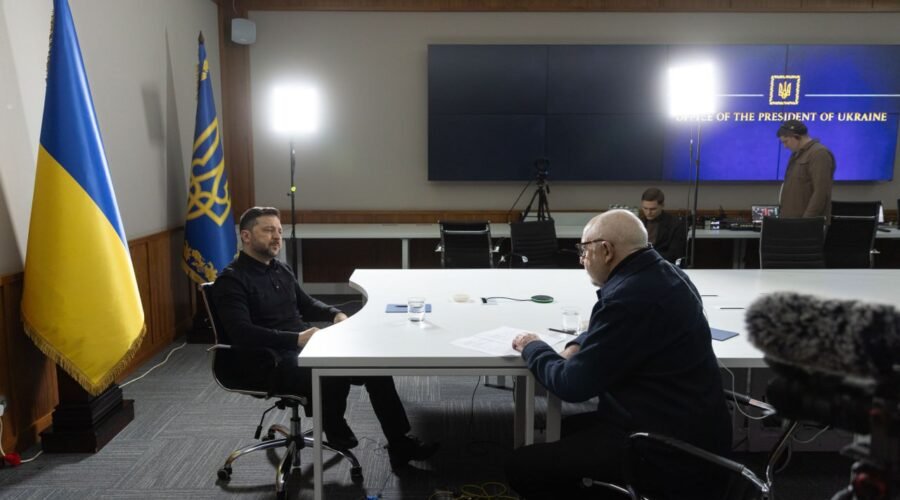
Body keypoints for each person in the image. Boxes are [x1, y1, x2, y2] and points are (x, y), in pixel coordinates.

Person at [505, 210, 731, 499]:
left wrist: (532, 346)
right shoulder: (665, 274)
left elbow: (571, 385)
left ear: (606, 250)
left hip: (663, 450)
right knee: (560, 428)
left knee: (521, 467)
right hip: (689, 428)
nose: (581, 259)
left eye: (584, 250)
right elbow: (617, 330)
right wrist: (579, 344)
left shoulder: (627, 298)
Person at [211, 206, 438, 469]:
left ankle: (399, 443)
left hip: (304, 347)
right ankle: (333, 424)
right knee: (332, 370)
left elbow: (307, 304)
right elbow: (242, 333)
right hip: (265, 359)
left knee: (374, 365)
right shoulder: (232, 280)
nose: (276, 237)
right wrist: (296, 339)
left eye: (279, 231)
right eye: (269, 230)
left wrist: (335, 314)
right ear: (246, 236)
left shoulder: (280, 269)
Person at [777, 119, 836, 219]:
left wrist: (806, 221)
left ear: (797, 136)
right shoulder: (797, 154)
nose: (785, 146)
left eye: (786, 141)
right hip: (791, 221)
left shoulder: (819, 154)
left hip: (806, 223)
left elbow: (821, 193)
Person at [638, 187, 686, 264]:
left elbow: (675, 254)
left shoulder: (676, 224)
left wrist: (648, 257)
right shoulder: (637, 223)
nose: (648, 212)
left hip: (664, 265)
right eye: (645, 208)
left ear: (662, 205)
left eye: (653, 209)